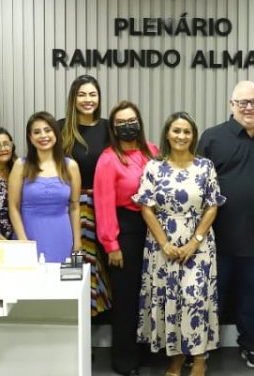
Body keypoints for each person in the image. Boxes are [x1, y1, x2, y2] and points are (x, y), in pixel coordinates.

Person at [196, 80, 254, 368]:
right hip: (217, 237)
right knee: (212, 296)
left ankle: (252, 345)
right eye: (242, 102)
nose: (249, 107)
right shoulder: (212, 138)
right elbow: (198, 187)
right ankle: (203, 345)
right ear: (232, 105)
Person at [134, 112, 224, 376]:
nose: (181, 136)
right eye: (176, 131)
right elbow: (146, 208)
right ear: (167, 134)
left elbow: (212, 206)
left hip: (199, 243)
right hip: (163, 246)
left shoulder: (205, 167)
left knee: (195, 298)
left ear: (193, 136)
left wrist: (194, 242)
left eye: (187, 131)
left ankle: (198, 358)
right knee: (170, 301)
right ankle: (175, 357)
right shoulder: (154, 167)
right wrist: (164, 243)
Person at [94, 101, 159, 376]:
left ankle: (146, 351)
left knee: (149, 295)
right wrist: (112, 244)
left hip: (153, 228)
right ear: (113, 128)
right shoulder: (108, 158)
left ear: (139, 121)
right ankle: (125, 359)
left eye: (130, 120)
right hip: (125, 229)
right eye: (120, 123)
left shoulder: (152, 151)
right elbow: (104, 203)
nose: (126, 126)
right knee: (127, 299)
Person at [58, 74, 113, 317]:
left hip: (105, 207)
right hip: (71, 209)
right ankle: (80, 325)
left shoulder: (108, 128)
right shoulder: (60, 128)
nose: (87, 99)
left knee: (105, 269)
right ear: (73, 98)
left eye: (92, 94)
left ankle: (101, 324)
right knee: (79, 265)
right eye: (82, 94)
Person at [9, 112, 82, 263]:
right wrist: (23, 241)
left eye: (47, 130)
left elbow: (74, 206)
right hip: (28, 234)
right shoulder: (20, 166)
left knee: (62, 284)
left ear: (55, 133)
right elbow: (13, 206)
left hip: (62, 235)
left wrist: (77, 240)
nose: (43, 136)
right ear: (30, 138)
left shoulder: (71, 166)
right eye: (37, 132)